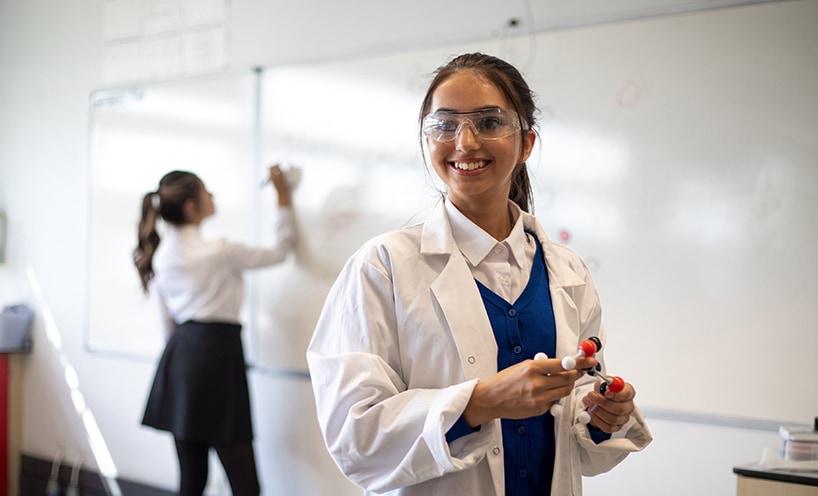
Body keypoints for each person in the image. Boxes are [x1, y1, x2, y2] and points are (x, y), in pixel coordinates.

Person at [307, 53, 652, 496]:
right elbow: (355, 436)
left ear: (526, 144)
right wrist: (479, 402)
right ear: (426, 141)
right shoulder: (383, 266)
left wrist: (603, 416)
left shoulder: (568, 272)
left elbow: (580, 442)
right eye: (445, 125)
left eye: (489, 123)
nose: (465, 142)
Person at [134, 166, 294, 496]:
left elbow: (168, 326)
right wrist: (282, 196)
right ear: (192, 207)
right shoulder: (220, 251)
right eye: (207, 191)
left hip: (180, 360)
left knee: (191, 480)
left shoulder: (161, 255)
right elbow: (281, 251)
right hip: (218, 359)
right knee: (246, 486)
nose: (213, 196)